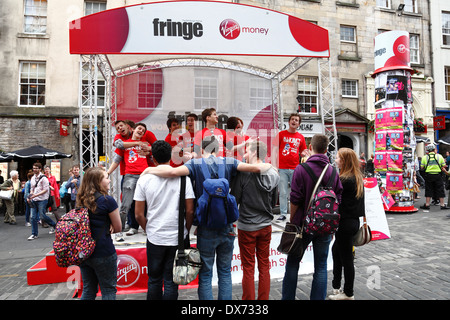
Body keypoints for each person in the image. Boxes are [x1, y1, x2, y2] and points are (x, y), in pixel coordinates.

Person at [141, 135, 271, 300]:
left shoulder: (194, 164)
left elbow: (172, 172)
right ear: (217, 149)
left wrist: (149, 169)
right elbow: (257, 169)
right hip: (227, 227)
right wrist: (269, 166)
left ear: (201, 150)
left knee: (206, 274)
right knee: (225, 272)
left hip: (205, 228)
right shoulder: (230, 162)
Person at [281, 134, 343, 300]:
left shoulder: (301, 169)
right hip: (325, 224)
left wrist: (293, 221)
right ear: (326, 149)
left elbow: (295, 199)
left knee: (293, 264)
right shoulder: (332, 171)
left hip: (302, 223)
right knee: (321, 266)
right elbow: (339, 198)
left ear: (310, 146)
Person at [134, 140, 195, 300]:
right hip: (177, 238)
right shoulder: (184, 178)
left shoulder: (144, 179)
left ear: (153, 158)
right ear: (171, 157)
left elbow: (138, 214)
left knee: (154, 280)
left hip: (155, 237)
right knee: (171, 281)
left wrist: (149, 229)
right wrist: (186, 229)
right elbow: (190, 210)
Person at [231, 141, 279, 300]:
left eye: (246, 151)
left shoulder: (243, 174)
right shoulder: (274, 173)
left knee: (248, 268)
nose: (244, 153)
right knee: (264, 266)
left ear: (253, 152)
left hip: (246, 226)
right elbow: (273, 203)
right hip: (265, 224)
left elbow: (235, 199)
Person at [77, 167, 122, 300]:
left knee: (89, 289)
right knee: (108, 290)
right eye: (106, 178)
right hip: (103, 250)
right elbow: (118, 227)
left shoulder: (81, 200)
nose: (109, 181)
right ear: (98, 181)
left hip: (84, 251)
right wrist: (110, 225)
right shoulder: (107, 200)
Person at [328, 148, 364, 300]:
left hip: (345, 223)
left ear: (344, 161)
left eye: (337, 158)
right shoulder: (356, 177)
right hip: (353, 222)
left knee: (347, 258)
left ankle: (348, 293)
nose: (335, 160)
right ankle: (337, 286)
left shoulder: (344, 180)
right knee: (337, 252)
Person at [108, 123, 151, 239]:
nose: (141, 131)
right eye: (139, 128)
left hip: (145, 176)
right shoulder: (125, 145)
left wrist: (149, 151)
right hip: (130, 176)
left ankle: (148, 229)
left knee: (149, 203)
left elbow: (154, 155)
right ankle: (119, 232)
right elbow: (116, 160)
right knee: (126, 205)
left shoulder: (146, 144)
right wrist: (107, 173)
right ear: (133, 129)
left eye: (143, 130)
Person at [271, 113, 308, 221]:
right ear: (289, 122)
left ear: (299, 124)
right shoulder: (281, 134)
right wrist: (274, 166)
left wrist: (306, 154)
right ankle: (283, 213)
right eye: (292, 119)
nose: (294, 121)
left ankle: (295, 213)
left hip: (295, 169)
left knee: (295, 192)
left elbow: (302, 152)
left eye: (296, 120)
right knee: (282, 192)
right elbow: (274, 150)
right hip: (282, 168)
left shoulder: (301, 137)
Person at [27, 163, 56, 240]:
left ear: (40, 169)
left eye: (36, 168)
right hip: (34, 200)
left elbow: (45, 190)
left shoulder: (44, 178)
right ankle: (34, 234)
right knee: (33, 217)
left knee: (42, 215)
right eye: (33, 168)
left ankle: (54, 225)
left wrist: (35, 195)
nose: (34, 169)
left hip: (42, 200)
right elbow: (32, 188)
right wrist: (30, 195)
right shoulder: (33, 178)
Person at [420, 144, 449, 210]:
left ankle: (427, 205)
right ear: (434, 149)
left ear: (428, 150)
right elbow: (443, 166)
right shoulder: (439, 156)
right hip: (438, 175)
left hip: (428, 175)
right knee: (440, 189)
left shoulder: (425, 157)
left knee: (429, 189)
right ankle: (442, 205)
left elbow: (422, 167)